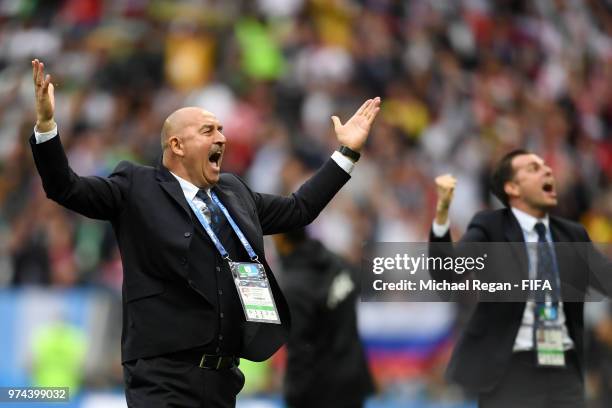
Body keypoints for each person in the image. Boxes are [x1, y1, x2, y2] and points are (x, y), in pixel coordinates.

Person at [29, 59, 380, 407]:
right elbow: (66, 188)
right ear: (177, 145)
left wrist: (346, 153)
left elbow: (299, 209)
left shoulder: (234, 193)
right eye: (209, 131)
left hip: (223, 380)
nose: (222, 138)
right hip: (162, 376)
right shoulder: (136, 187)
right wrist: (46, 127)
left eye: (221, 129)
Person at [429, 150, 611, 407]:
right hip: (511, 371)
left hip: (563, 371)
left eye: (546, 167)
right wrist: (441, 217)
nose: (547, 171)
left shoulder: (572, 234)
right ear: (512, 187)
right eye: (533, 168)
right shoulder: (490, 228)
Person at [273, 228, 374, 408]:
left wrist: (293, 395)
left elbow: (299, 350)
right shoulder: (336, 262)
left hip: (318, 392)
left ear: (280, 237)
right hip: (353, 380)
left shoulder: (294, 287)